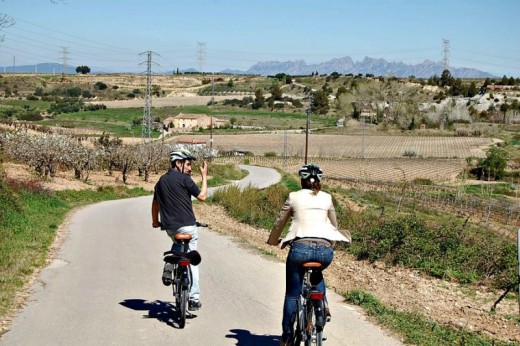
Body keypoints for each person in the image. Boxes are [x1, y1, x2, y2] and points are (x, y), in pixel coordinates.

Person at [267, 163, 350, 345]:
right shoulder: (327, 198)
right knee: (317, 272)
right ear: (319, 181)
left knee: (292, 294)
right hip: (324, 250)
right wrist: (330, 243)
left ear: (302, 180)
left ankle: (287, 337)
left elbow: (280, 221)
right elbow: (333, 225)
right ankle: (323, 304)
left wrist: (273, 240)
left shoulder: (293, 196)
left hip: (300, 249)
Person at [152, 148, 208, 311]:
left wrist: (156, 222)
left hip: (170, 227)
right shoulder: (185, 179)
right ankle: (194, 297)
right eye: (188, 164)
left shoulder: (160, 181)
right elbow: (202, 196)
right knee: (191, 258)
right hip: (188, 227)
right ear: (178, 163)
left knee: (177, 244)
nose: (190, 168)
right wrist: (204, 176)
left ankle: (170, 265)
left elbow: (155, 204)